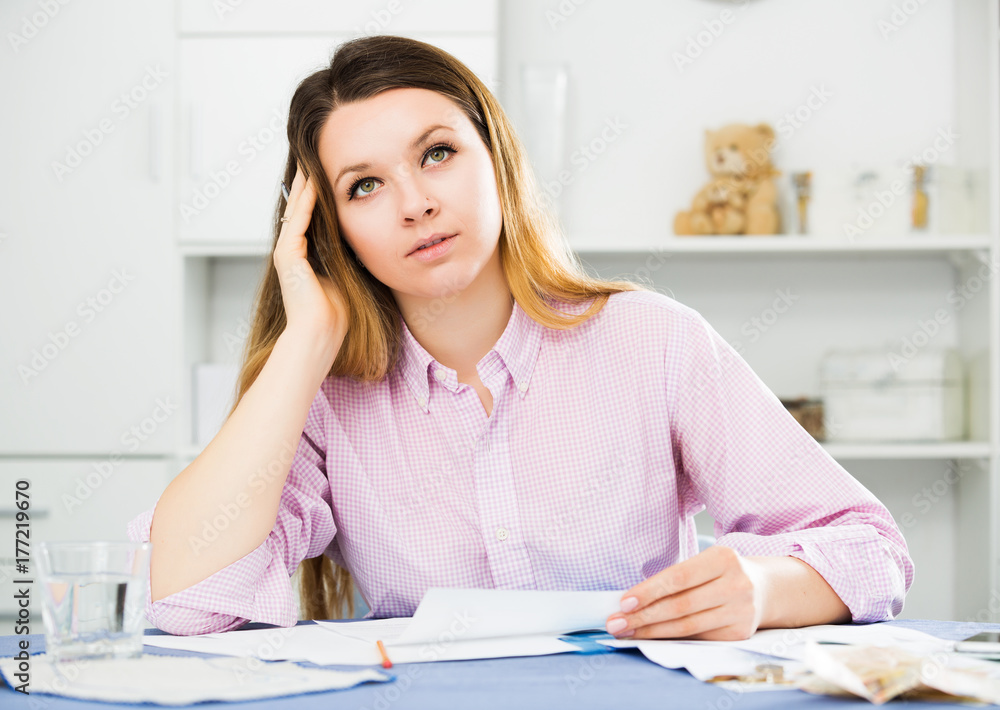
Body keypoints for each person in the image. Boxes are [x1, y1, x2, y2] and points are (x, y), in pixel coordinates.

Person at [128, 34, 913, 640]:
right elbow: (188, 601)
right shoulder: (326, 395)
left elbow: (869, 546)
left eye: (437, 153)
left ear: (496, 161)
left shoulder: (653, 341)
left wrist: (767, 589)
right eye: (363, 185)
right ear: (328, 229)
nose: (413, 203)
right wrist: (304, 343)